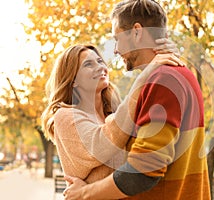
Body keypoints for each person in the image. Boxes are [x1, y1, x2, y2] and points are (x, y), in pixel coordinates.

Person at [64, 0, 210, 200]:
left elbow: (143, 170)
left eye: (117, 38)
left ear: (136, 32)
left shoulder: (163, 80)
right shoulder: (179, 75)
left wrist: (84, 194)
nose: (115, 50)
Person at [41, 43, 183, 184]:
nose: (100, 67)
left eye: (100, 61)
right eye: (88, 64)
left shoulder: (115, 112)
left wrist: (171, 58)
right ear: (73, 81)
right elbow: (102, 144)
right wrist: (145, 76)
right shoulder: (64, 116)